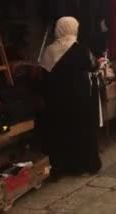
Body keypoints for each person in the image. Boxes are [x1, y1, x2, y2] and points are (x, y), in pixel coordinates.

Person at [39, 17, 102, 178]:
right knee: (80, 130)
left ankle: (62, 165)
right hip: (79, 98)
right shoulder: (81, 50)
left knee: (61, 131)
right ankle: (81, 165)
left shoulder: (50, 50)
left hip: (57, 100)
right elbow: (93, 65)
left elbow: (44, 75)